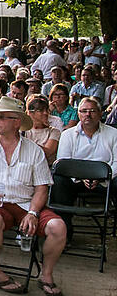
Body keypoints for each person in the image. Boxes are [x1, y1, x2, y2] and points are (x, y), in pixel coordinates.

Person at [0, 97, 67, 296]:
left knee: (58, 227)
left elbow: (42, 188)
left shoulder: (34, 150)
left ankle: (46, 274)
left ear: (17, 121)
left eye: (2, 117)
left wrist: (34, 212)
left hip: (26, 203)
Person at [51, 97, 117, 237]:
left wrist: (102, 178)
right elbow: (63, 163)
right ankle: (64, 232)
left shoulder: (113, 134)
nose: (88, 114)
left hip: (106, 180)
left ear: (100, 113)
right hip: (76, 179)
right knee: (58, 180)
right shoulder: (67, 135)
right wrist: (81, 177)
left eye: (92, 111)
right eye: (84, 111)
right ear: (78, 114)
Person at [23, 95, 60, 167]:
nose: (45, 113)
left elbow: (48, 152)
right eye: (41, 110)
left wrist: (25, 143)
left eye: (47, 110)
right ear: (30, 113)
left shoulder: (54, 132)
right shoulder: (22, 131)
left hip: (45, 168)